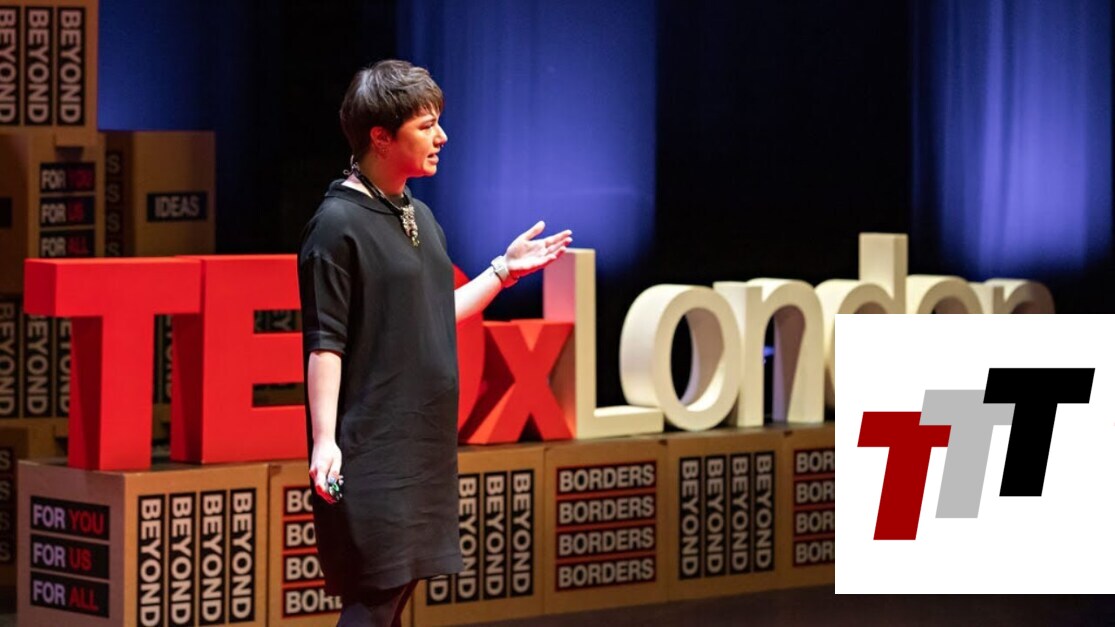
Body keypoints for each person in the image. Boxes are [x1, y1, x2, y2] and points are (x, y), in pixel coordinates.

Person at [297, 59, 572, 627]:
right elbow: (326, 343)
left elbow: (433, 313)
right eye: (426, 126)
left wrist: (502, 271)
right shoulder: (336, 225)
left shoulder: (417, 214)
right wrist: (324, 442)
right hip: (371, 447)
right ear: (380, 136)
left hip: (420, 443)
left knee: (396, 595)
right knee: (374, 599)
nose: (442, 137)